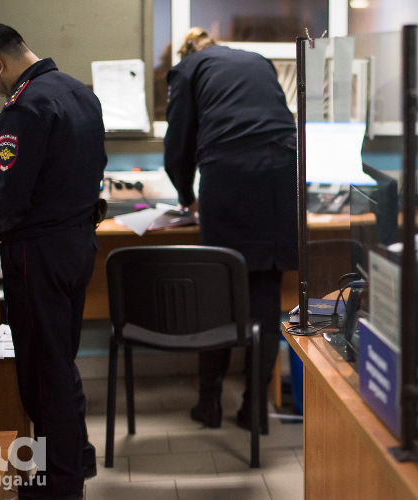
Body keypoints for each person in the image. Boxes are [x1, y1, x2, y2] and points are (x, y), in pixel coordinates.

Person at [0, 22, 106, 499]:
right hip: (77, 245)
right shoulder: (79, 93)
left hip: (39, 254)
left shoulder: (26, 106)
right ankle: (76, 461)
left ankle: (58, 486)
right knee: (59, 362)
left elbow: (10, 196)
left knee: (42, 376)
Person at [163, 28, 297, 430]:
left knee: (218, 288)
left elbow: (178, 144)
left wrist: (186, 196)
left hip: (228, 173)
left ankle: (209, 404)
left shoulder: (187, 69)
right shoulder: (257, 61)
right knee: (266, 288)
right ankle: (255, 409)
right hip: (282, 174)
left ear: (186, 53)